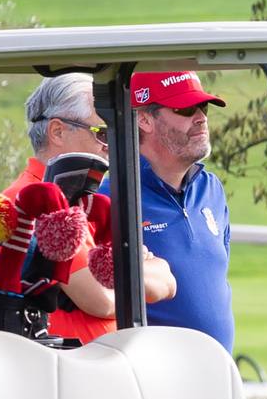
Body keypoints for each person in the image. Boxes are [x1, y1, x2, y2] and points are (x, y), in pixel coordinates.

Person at [101, 68, 240, 399]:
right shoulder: (114, 194)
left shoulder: (210, 188)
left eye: (202, 107)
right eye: (184, 110)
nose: (200, 117)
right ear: (144, 119)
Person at [14, 74, 173, 347]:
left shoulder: (84, 201)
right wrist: (136, 267)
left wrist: (120, 272)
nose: (109, 145)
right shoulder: (32, 202)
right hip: (68, 372)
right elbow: (99, 299)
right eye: (101, 132)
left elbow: (168, 282)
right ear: (57, 132)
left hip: (100, 368)